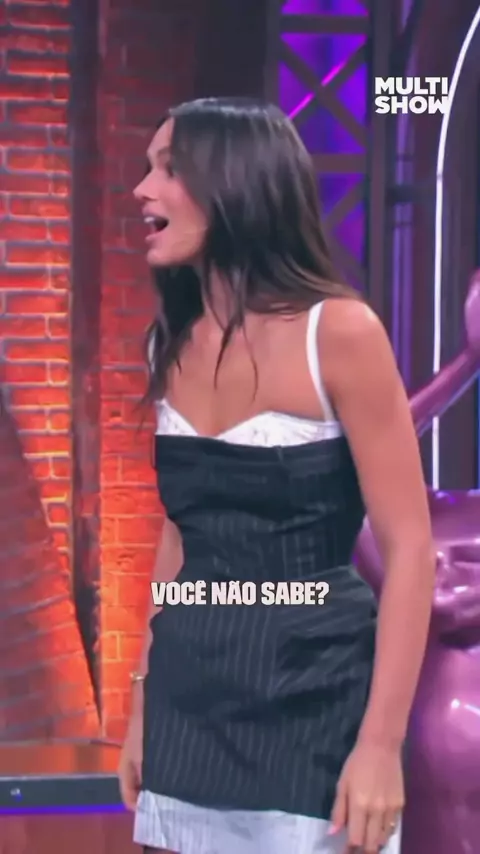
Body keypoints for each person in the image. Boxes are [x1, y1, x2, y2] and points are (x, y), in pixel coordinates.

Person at [118, 97, 435, 854]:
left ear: (236, 185)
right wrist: (141, 706)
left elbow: (411, 550)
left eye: (169, 169)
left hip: (315, 704)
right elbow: (179, 542)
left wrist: (381, 744)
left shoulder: (341, 333)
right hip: (190, 707)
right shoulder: (170, 343)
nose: (142, 189)